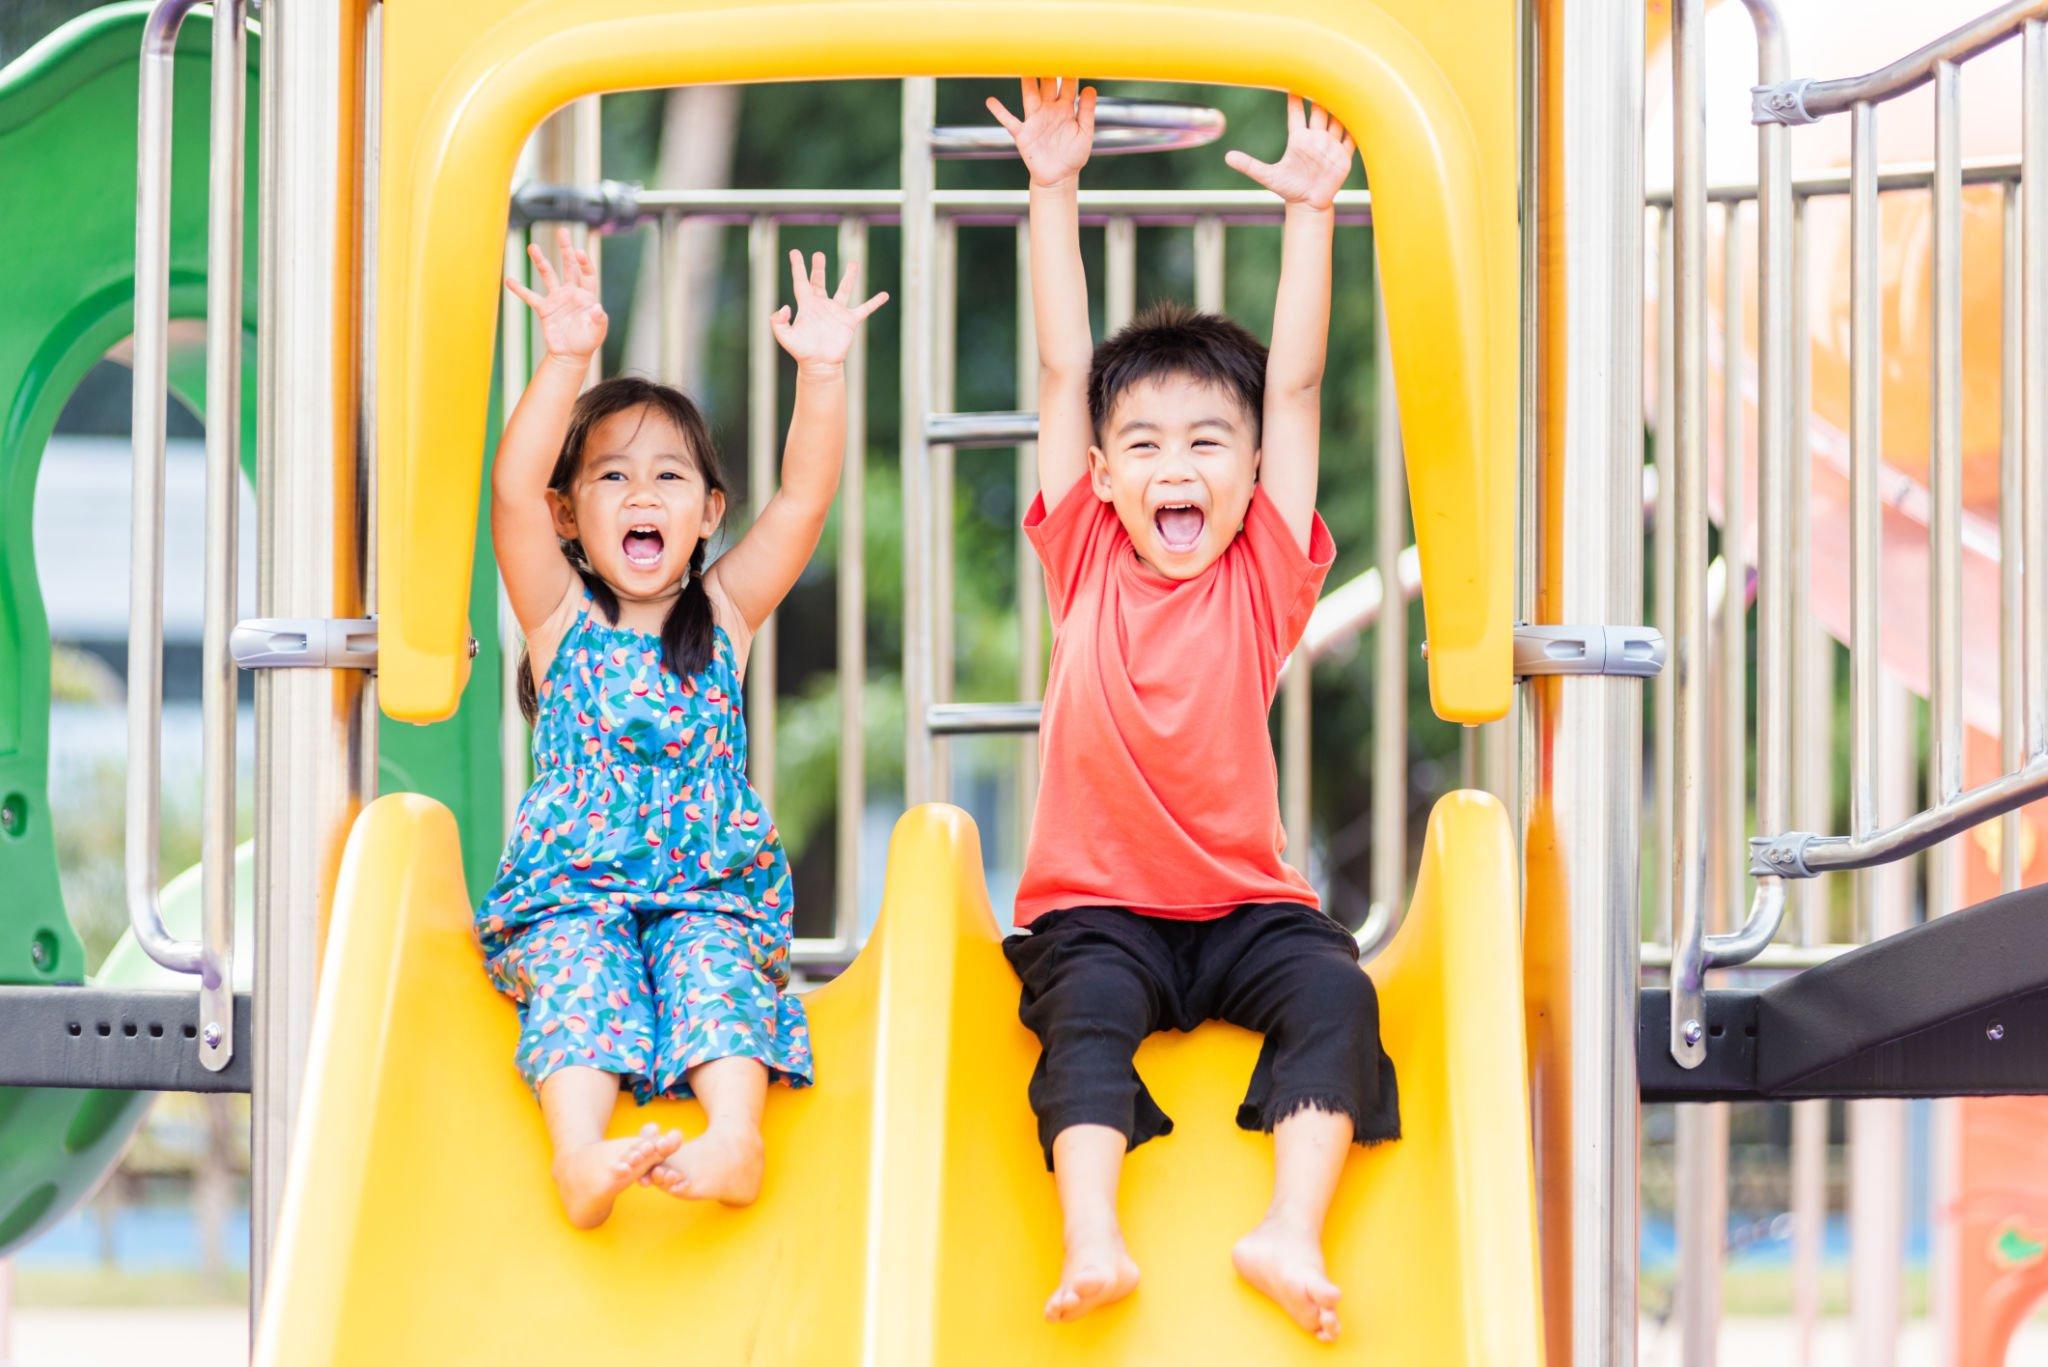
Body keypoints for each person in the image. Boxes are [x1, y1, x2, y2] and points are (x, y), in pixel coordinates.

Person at [986, 80, 1398, 1343]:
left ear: (1250, 475)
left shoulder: (1261, 573)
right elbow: (1065, 367)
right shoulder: (1086, 557)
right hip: (1095, 911)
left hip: (1241, 906)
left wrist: (1314, 215)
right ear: (1101, 479)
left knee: (1338, 996)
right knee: (1081, 1028)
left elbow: (1299, 387)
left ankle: (1287, 1225)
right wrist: (1053, 186)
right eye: (1147, 446)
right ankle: (1093, 1233)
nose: (1178, 468)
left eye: (1208, 444)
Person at [475, 226, 886, 1228]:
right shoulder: (555, 619)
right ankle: (581, 1157)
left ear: (707, 511)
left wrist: (820, 376)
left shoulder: (729, 616)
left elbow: (802, 498)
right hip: (573, 890)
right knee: (577, 978)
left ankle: (733, 1135)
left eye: (668, 476)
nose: (641, 491)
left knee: (714, 972)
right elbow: (507, 492)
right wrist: (566, 356)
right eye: (611, 475)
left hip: (707, 886)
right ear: (571, 514)